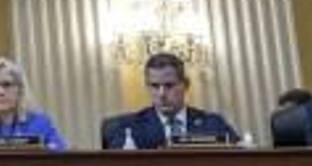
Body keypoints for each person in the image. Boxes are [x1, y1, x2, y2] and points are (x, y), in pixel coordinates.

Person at [101, 52, 238, 149]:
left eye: (169, 86)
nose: (161, 94)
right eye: (154, 86)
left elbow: (239, 157)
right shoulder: (126, 127)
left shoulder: (213, 124)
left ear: (185, 85)